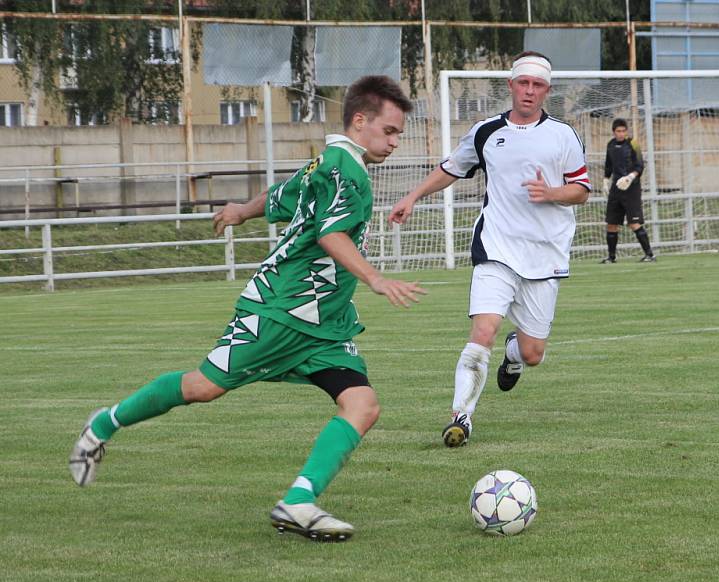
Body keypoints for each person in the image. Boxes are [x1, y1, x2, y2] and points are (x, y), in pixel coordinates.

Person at [69, 75, 425, 542]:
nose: (396, 142)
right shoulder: (348, 171)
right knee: (202, 387)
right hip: (281, 311)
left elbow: (283, 194)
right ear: (360, 121)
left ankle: (297, 501)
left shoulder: (330, 162)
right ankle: (103, 422)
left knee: (362, 404)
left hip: (323, 322)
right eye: (391, 131)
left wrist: (241, 211)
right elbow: (329, 234)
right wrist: (375, 278)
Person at [388, 51, 590, 447]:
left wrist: (550, 193)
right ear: (512, 85)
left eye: (538, 85)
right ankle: (461, 416)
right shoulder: (486, 132)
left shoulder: (563, 135)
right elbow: (451, 168)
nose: (530, 91)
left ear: (546, 90)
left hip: (545, 255)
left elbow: (581, 189)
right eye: (523, 83)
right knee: (483, 329)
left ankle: (514, 355)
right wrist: (412, 197)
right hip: (496, 248)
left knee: (533, 353)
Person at [601, 118, 655, 263]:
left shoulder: (633, 143)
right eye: (618, 131)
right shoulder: (610, 145)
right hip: (616, 189)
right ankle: (611, 257)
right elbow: (608, 165)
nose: (621, 134)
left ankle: (649, 255)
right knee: (611, 223)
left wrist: (630, 177)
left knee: (634, 223)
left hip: (631, 189)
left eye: (624, 131)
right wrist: (606, 180)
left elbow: (639, 166)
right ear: (614, 132)